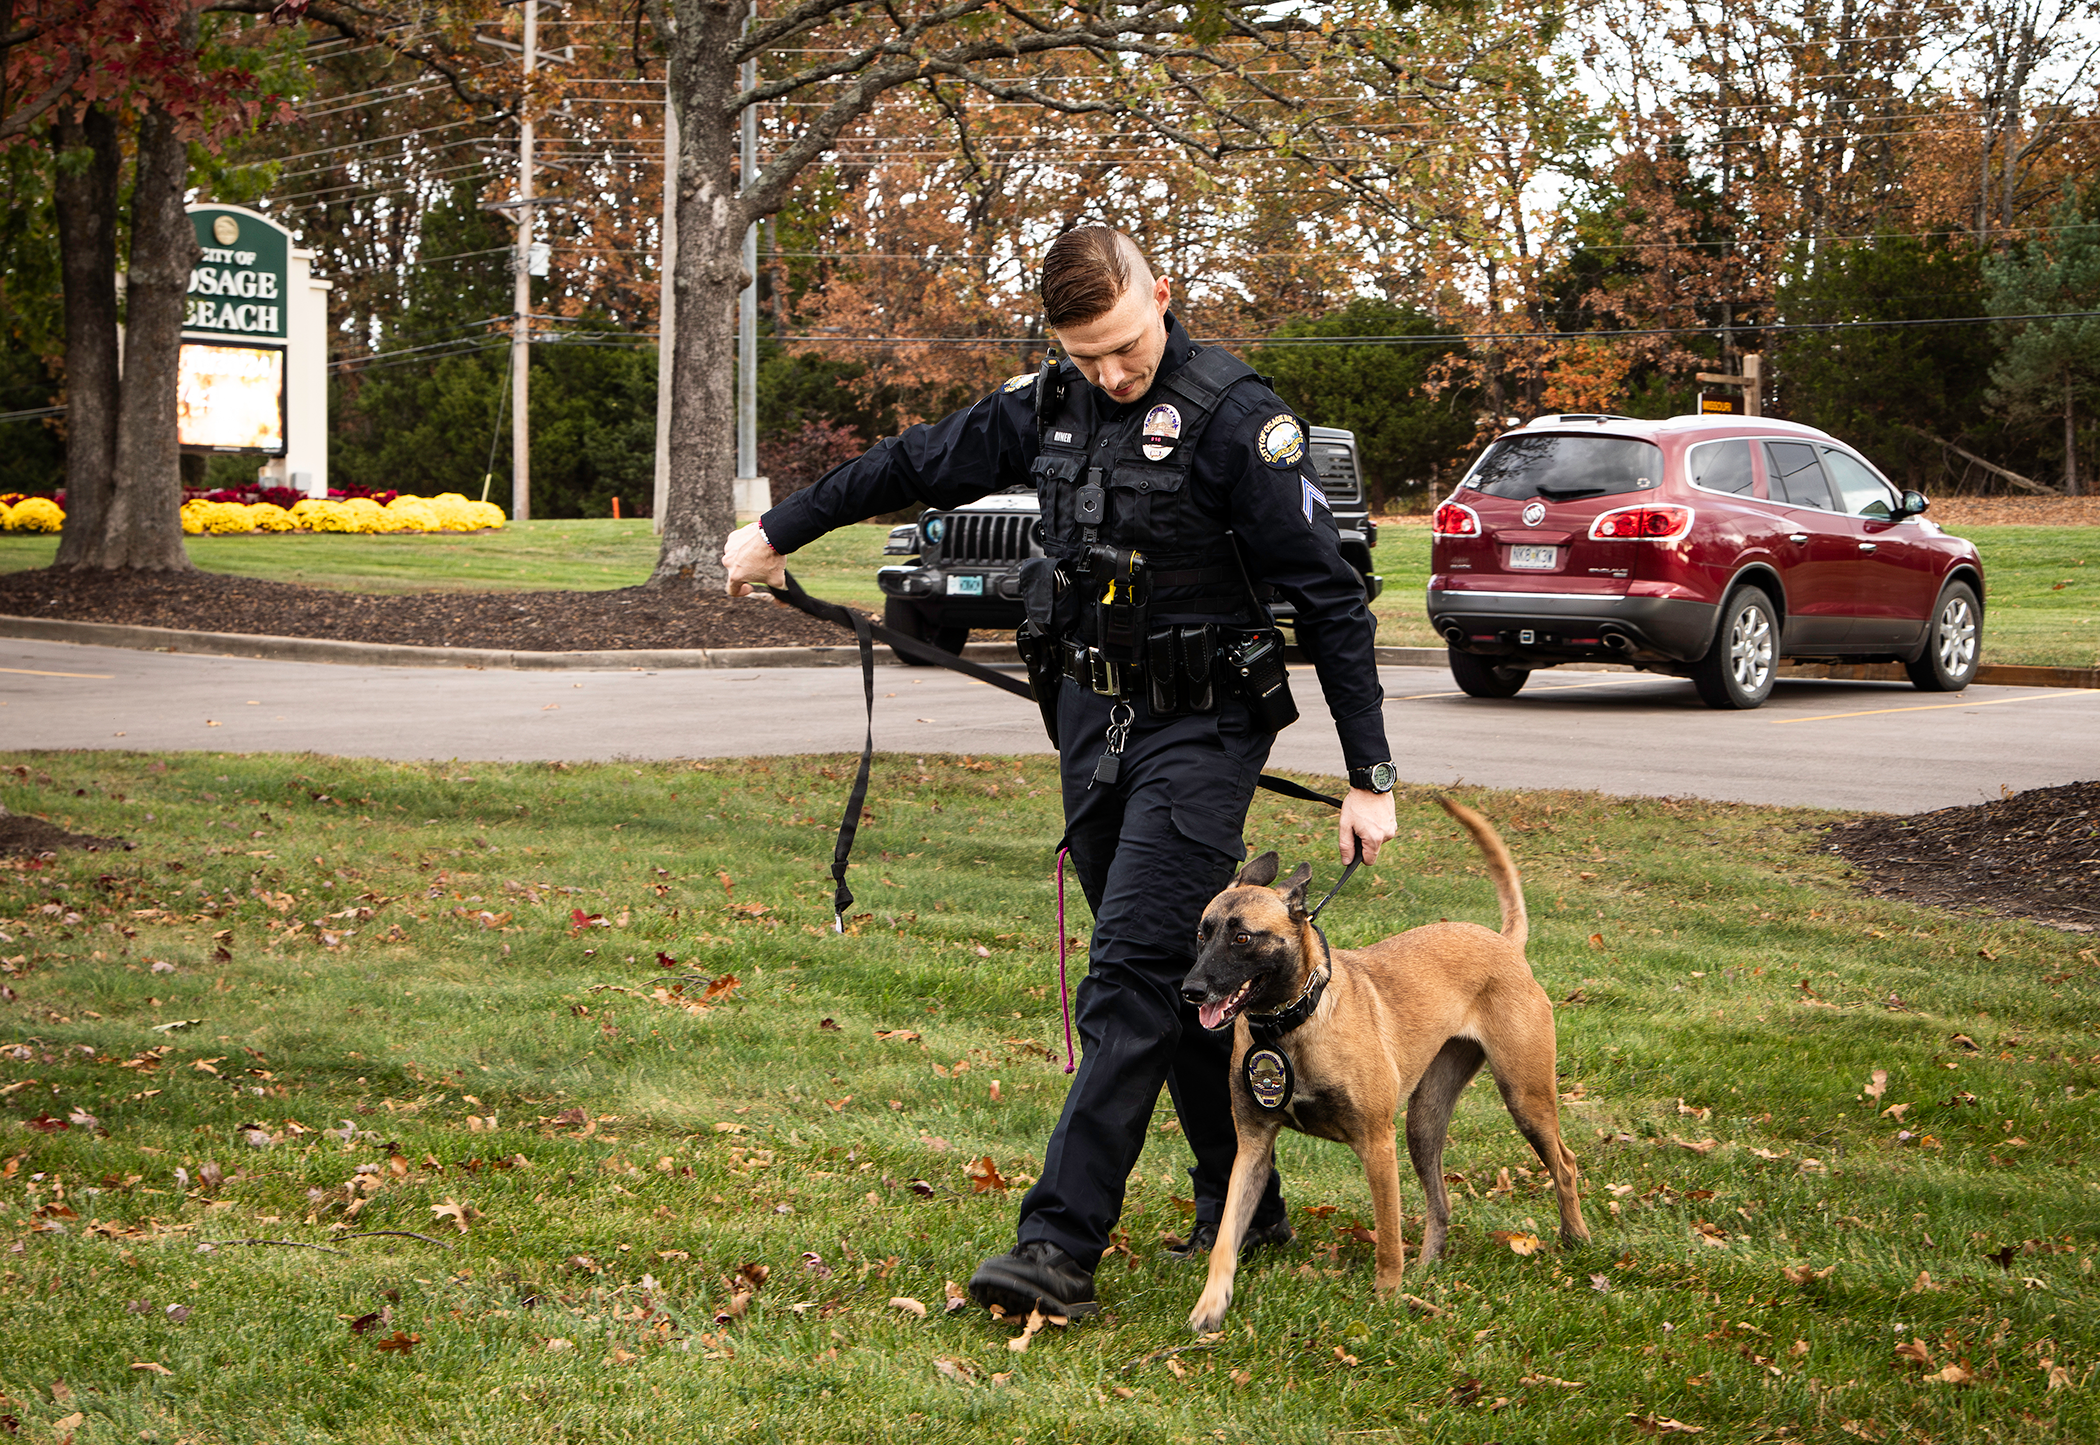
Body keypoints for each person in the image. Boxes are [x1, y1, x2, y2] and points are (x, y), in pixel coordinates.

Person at [720, 227, 1397, 1320]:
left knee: (1128, 971)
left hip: (1207, 725)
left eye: (1125, 348)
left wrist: (1370, 771)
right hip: (1091, 718)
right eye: (1087, 357)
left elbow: (1330, 599)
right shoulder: (1049, 403)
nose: (1112, 375)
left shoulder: (1239, 422)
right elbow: (910, 460)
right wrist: (777, 528)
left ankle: (1056, 1245)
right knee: (1184, 980)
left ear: (1162, 296)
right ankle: (1244, 1195)